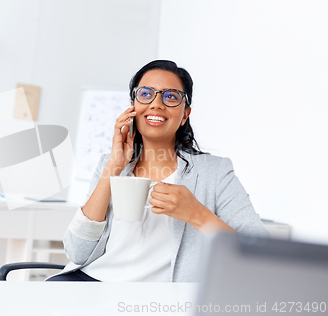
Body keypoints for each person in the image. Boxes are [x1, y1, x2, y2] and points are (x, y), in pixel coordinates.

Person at [47, 60, 269, 282]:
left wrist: (196, 214)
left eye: (171, 96)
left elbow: (261, 255)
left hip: (158, 299)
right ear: (133, 105)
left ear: (184, 114)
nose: (156, 104)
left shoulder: (215, 173)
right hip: (90, 283)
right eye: (145, 94)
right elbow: (77, 252)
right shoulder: (111, 164)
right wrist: (114, 167)